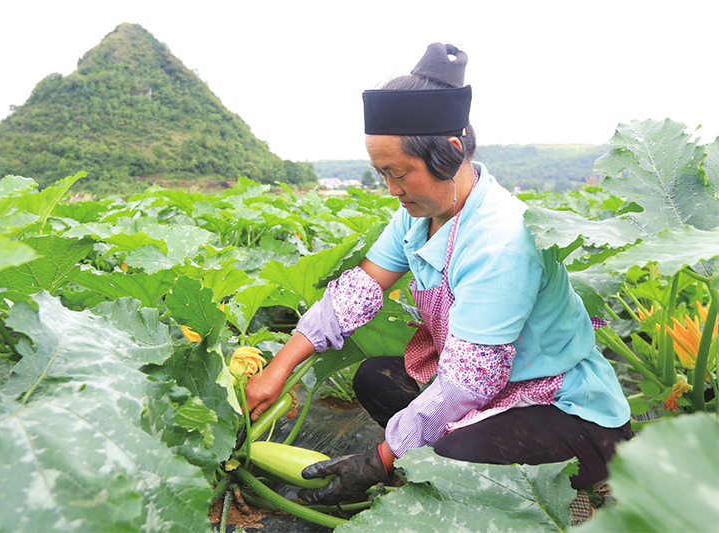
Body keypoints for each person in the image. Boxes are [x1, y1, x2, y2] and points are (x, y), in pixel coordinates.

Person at [245, 42, 631, 505]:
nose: (391, 189)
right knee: (373, 377)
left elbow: (469, 381)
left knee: (452, 452)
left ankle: (571, 492)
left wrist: (376, 461)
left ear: (448, 153)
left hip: (568, 413)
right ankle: (432, 467)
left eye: (399, 173)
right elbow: (359, 290)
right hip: (487, 392)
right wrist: (277, 368)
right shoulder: (418, 212)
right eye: (380, 173)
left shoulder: (502, 240)